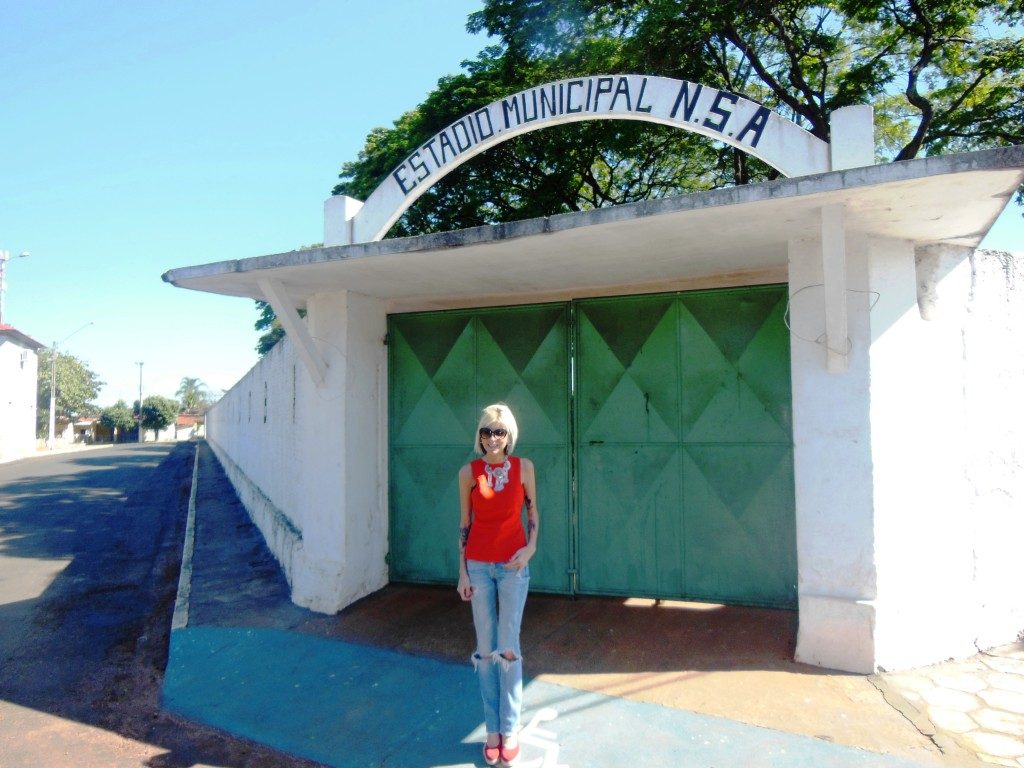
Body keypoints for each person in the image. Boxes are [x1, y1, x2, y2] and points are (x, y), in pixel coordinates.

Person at [458, 403, 539, 767]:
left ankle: (511, 728)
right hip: (477, 566)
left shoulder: (524, 468)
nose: (492, 438)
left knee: (508, 648)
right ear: (479, 436)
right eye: (486, 432)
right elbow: (464, 523)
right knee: (486, 649)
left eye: (499, 431)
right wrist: (461, 571)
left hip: (512, 567)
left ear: (510, 435)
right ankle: (493, 730)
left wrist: (530, 548)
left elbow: (533, 512)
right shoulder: (469, 472)